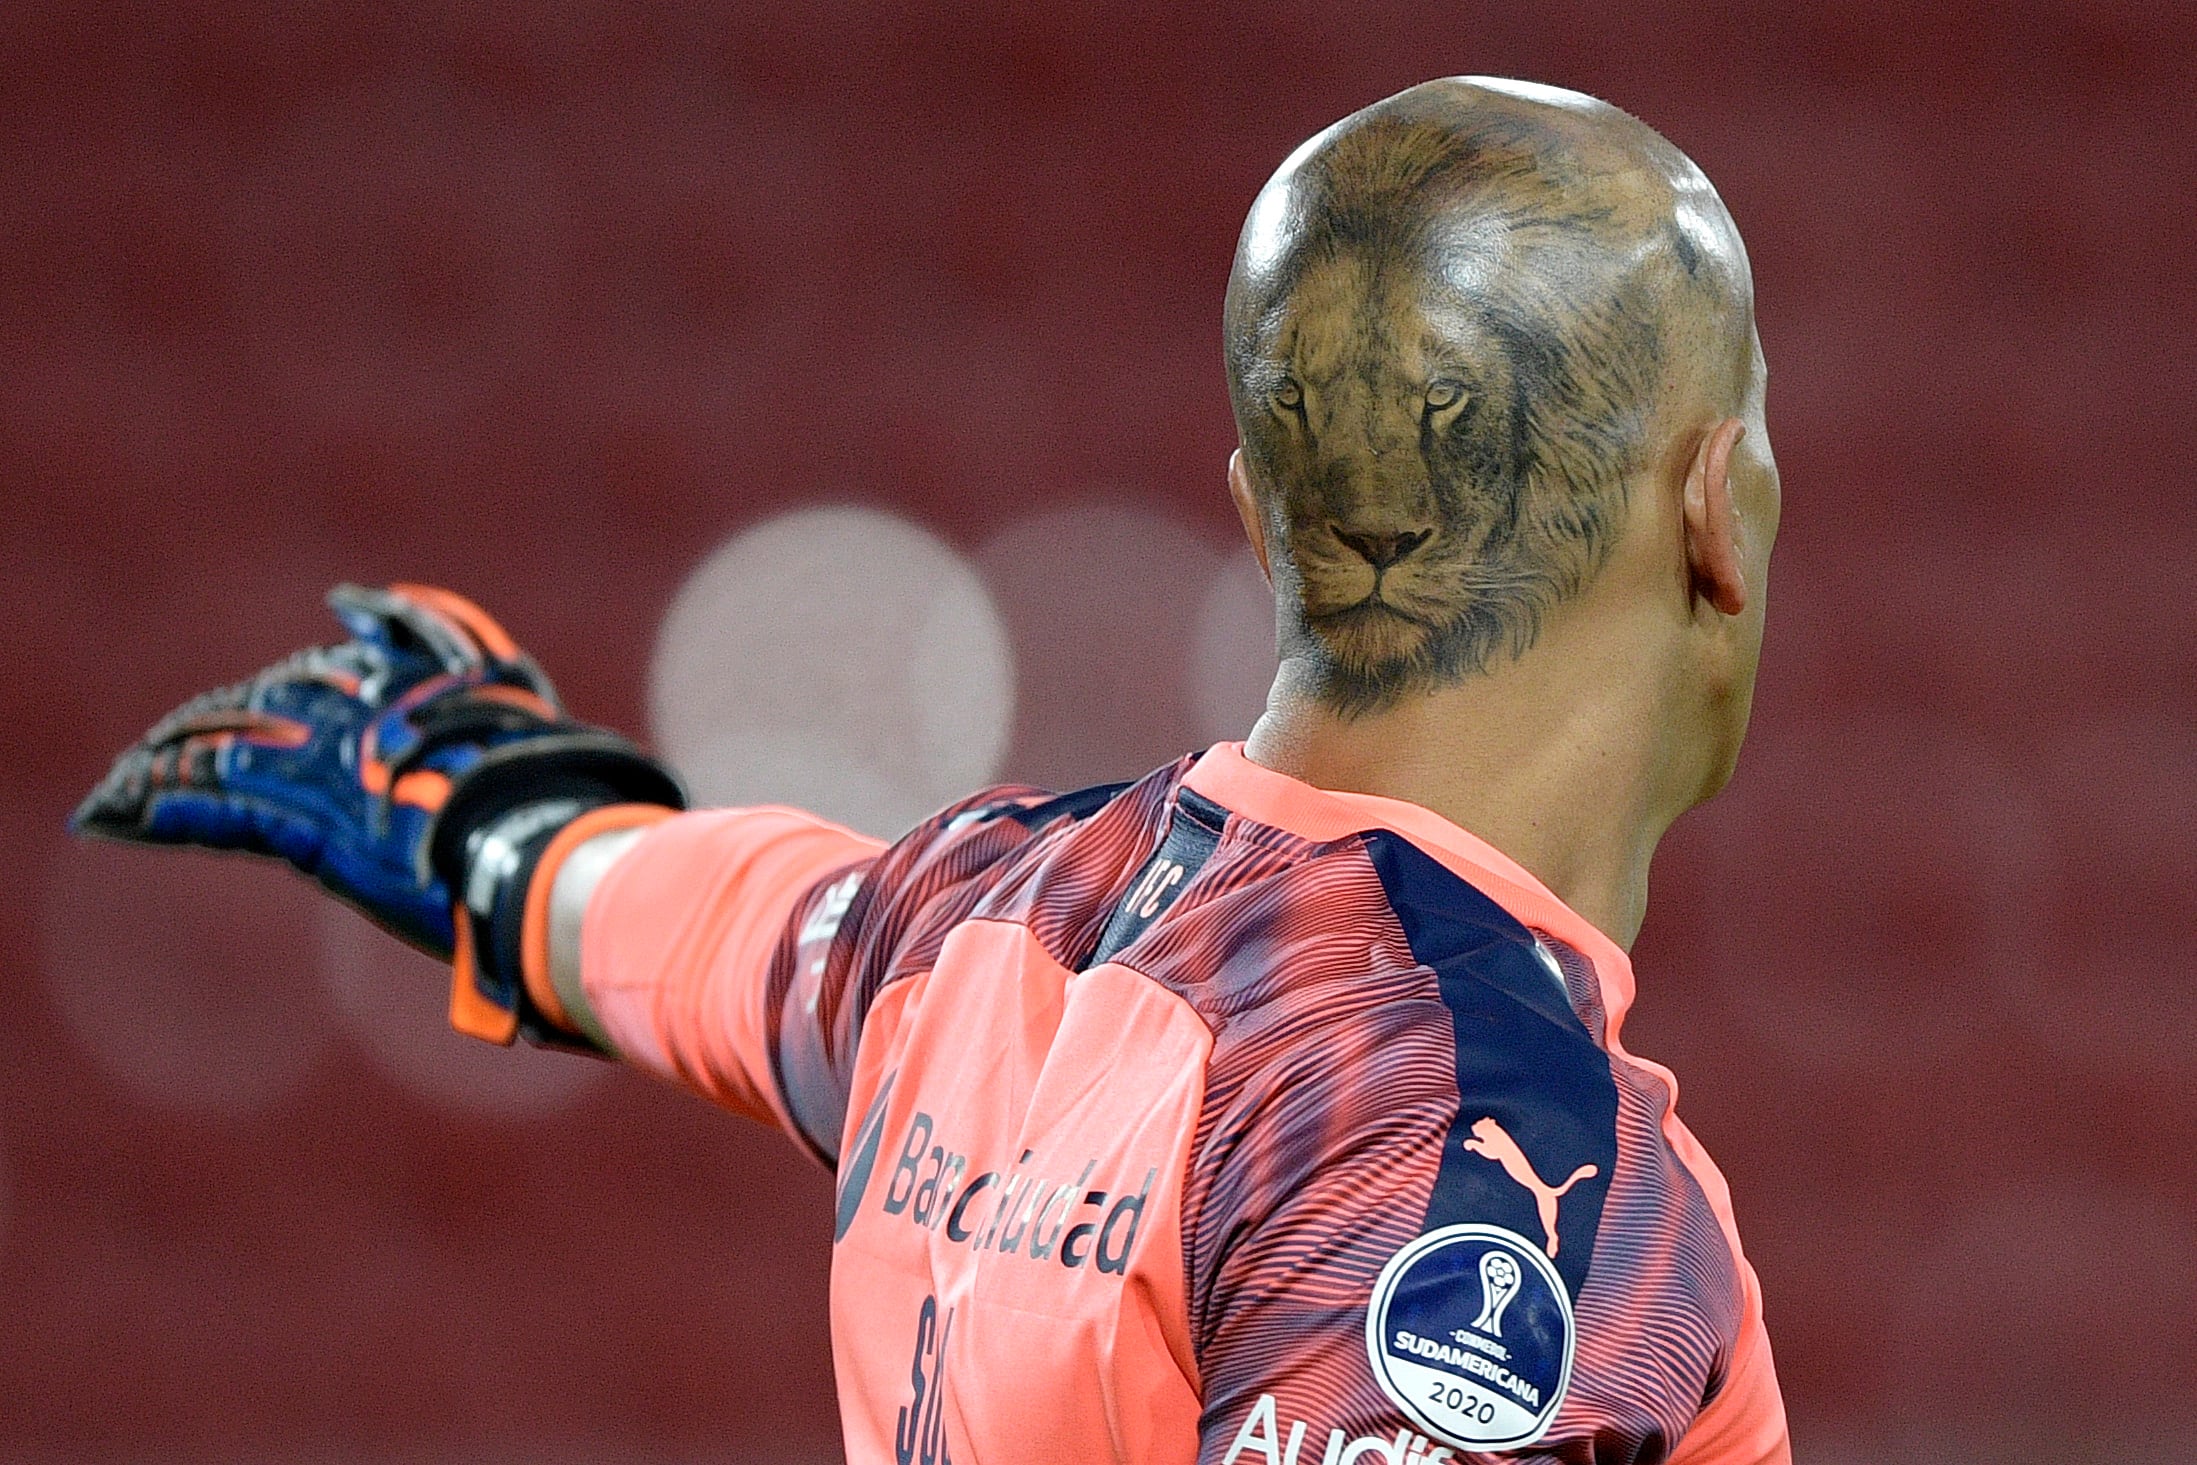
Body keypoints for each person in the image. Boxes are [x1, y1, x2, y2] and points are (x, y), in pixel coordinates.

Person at [75, 76, 1789, 1464]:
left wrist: (468, 810)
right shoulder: (1498, 1164)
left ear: (1261, 518)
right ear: (1717, 510)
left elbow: (673, 921)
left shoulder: (972, 918)